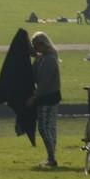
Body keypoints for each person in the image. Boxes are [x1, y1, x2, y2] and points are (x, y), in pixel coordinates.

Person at [29, 32, 61, 166]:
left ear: (43, 44)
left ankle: (51, 157)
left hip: (48, 97)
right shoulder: (42, 58)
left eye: (36, 46)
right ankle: (51, 156)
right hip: (49, 96)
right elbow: (33, 76)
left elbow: (44, 82)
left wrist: (34, 97)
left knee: (44, 128)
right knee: (50, 127)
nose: (35, 49)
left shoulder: (49, 60)